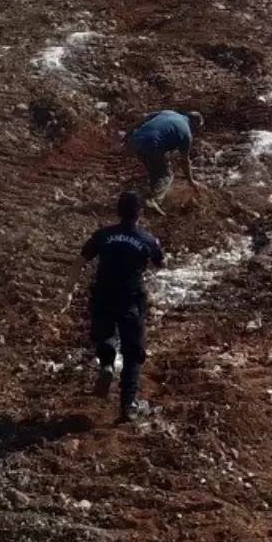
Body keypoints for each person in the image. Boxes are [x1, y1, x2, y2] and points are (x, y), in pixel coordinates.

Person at [70, 191, 164, 423]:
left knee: (106, 332)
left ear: (118, 211)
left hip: (103, 294)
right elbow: (161, 264)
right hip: (131, 298)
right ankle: (128, 405)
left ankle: (106, 363)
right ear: (140, 213)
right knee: (133, 351)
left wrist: (67, 292)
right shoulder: (146, 238)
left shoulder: (103, 235)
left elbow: (80, 262)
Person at [125, 110, 205, 214]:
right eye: (197, 128)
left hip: (136, 139)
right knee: (167, 175)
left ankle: (148, 198)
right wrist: (191, 181)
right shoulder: (186, 134)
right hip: (152, 144)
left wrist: (127, 132)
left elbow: (144, 117)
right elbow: (185, 161)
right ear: (194, 123)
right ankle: (152, 200)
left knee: (155, 169)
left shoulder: (168, 112)